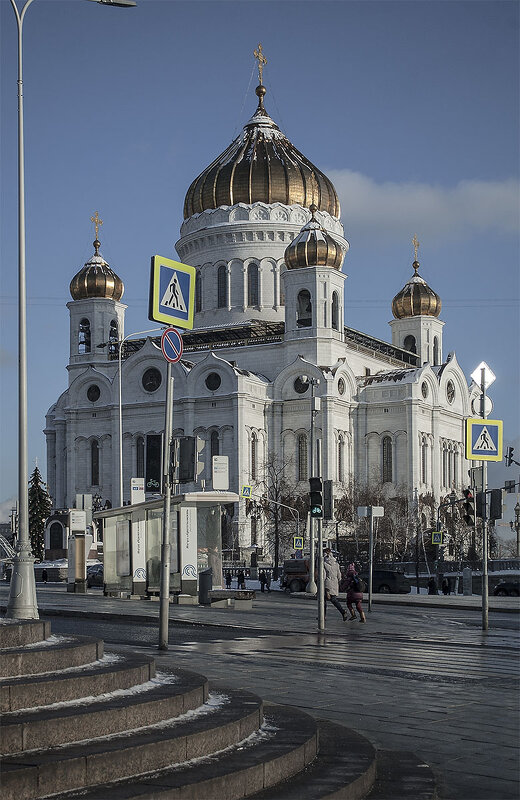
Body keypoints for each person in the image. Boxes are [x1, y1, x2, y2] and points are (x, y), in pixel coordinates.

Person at [323, 548, 348, 621]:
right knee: (333, 599)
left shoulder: (324, 563)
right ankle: (343, 612)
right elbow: (339, 575)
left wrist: (325, 588)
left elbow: (324, 576)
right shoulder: (336, 564)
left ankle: (322, 616)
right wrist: (339, 584)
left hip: (327, 584)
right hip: (334, 584)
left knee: (322, 601)